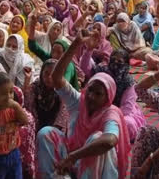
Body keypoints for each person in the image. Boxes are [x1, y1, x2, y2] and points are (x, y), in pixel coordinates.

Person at [37, 30, 131, 179]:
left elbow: (110, 140)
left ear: (108, 97)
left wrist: (73, 156)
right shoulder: (79, 101)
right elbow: (56, 78)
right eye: (90, 91)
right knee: (46, 133)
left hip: (95, 169)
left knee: (97, 139)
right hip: (72, 158)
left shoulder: (110, 112)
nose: (91, 97)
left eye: (98, 94)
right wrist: (75, 44)